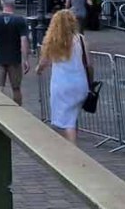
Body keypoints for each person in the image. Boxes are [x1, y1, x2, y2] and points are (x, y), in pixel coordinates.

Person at [37, 9, 94, 143]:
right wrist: (90, 81)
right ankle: (72, 143)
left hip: (61, 85)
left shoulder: (52, 41)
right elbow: (89, 64)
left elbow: (44, 62)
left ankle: (71, 149)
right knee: (72, 117)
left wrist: (38, 69)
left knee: (67, 122)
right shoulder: (80, 39)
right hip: (80, 83)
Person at [0, 0, 31, 104]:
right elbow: (24, 41)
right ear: (13, 3)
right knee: (16, 88)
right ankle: (18, 110)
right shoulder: (20, 20)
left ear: (2, 3)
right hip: (14, 59)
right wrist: (25, 59)